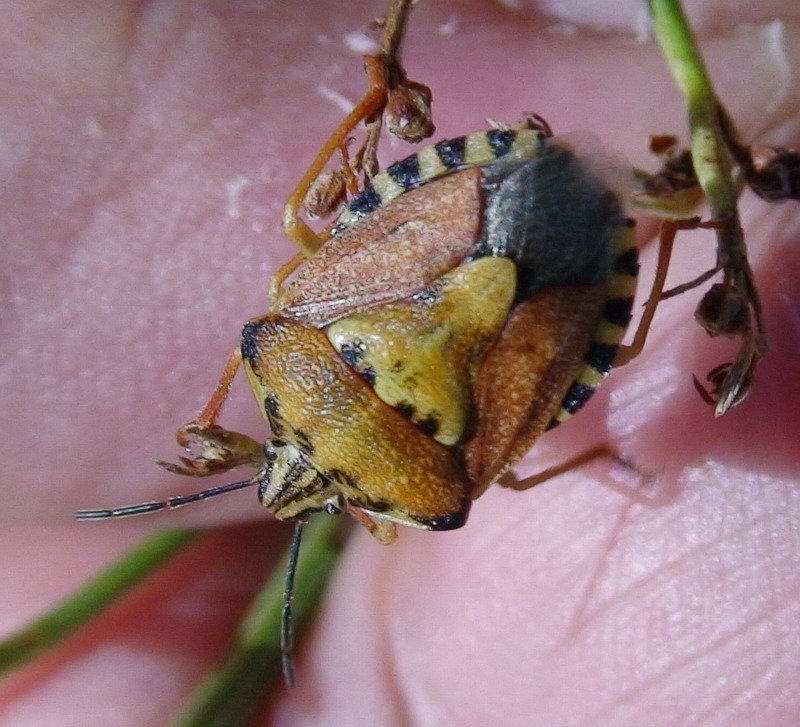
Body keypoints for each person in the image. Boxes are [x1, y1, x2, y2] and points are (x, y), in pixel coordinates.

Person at [1, 1, 798, 724]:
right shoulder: (287, 360)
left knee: (617, 347)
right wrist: (383, 87)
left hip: (571, 282)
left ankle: (677, 221)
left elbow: (531, 429)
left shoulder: (429, 492)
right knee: (294, 233)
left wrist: (590, 444)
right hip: (468, 198)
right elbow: (272, 321)